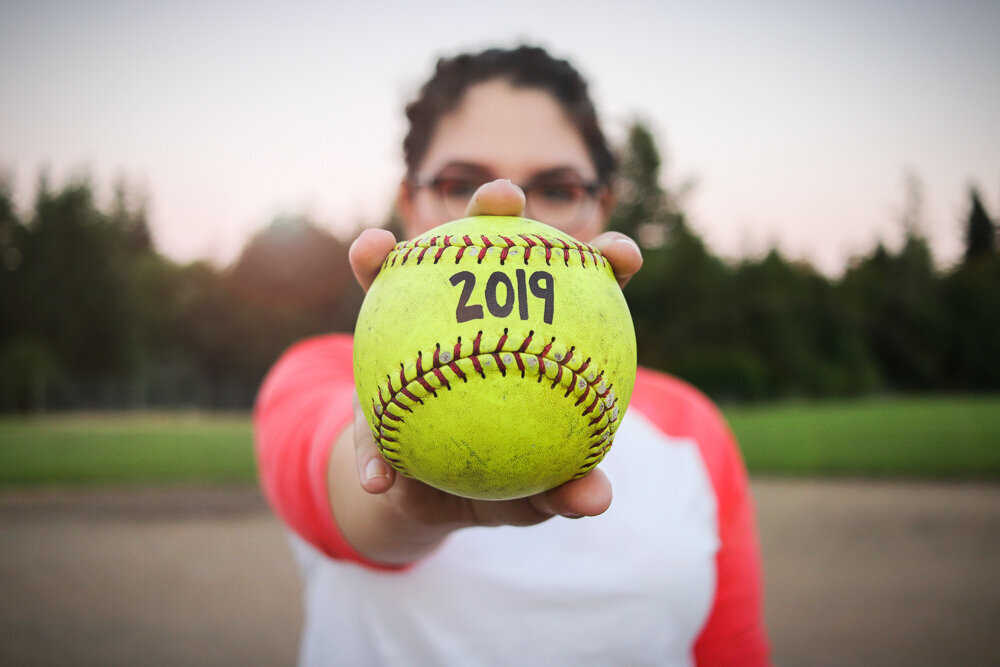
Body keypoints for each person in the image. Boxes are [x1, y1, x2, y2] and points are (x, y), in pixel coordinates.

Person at [255, 45, 769, 666]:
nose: (509, 213)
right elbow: (340, 481)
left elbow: (732, 651)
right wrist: (400, 500)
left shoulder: (691, 429)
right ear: (410, 204)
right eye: (459, 183)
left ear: (602, 209)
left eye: (556, 188)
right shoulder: (322, 378)